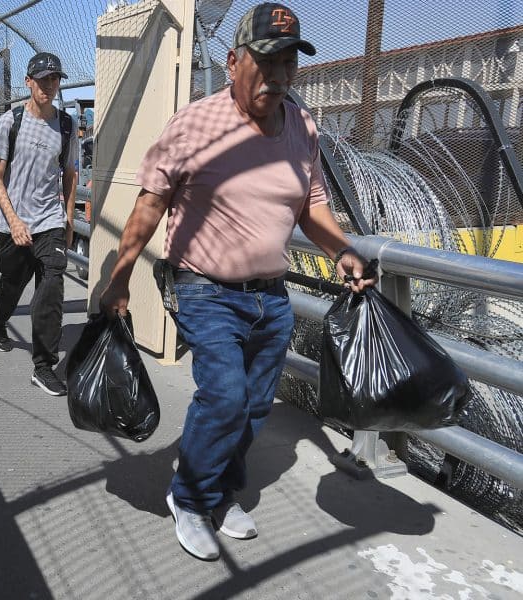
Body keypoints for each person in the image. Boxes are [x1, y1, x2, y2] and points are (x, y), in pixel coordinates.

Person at [99, 3, 377, 560]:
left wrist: (342, 251)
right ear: (233, 63)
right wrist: (119, 277)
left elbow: (311, 206)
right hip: (205, 287)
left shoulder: (301, 127)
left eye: (289, 63)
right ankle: (191, 498)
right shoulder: (196, 125)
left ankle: (221, 487)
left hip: (270, 296)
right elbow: (150, 205)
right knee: (224, 396)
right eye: (267, 61)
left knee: (253, 406)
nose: (279, 75)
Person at [0, 51, 79, 396]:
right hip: (14, 223)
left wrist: (68, 219)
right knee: (13, 281)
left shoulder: (66, 126)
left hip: (50, 220)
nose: (49, 86)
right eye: (43, 80)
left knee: (51, 284)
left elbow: (70, 175)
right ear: (29, 82)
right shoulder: (11, 121)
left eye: (54, 80)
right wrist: (14, 221)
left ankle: (43, 365)